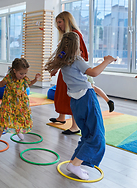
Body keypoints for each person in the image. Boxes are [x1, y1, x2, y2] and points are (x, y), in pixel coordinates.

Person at [45, 32, 116, 180]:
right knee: (97, 135)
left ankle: (74, 162)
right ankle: (75, 165)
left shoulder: (63, 61)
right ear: (76, 46)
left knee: (87, 133)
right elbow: (94, 73)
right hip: (86, 98)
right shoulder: (76, 60)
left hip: (75, 102)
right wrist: (107, 61)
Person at [49, 11, 114, 134]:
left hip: (79, 81)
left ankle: (76, 126)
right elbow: (62, 54)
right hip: (70, 76)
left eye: (60, 22)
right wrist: (57, 67)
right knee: (67, 97)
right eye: (57, 22)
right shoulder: (68, 38)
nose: (58, 25)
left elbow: (88, 66)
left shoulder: (74, 37)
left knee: (78, 103)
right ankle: (63, 118)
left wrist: (107, 61)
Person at [0, 58, 41, 152]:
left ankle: (18, 131)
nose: (23, 76)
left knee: (19, 119)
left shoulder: (24, 79)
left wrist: (35, 79)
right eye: (21, 73)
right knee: (3, 120)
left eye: (25, 73)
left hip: (21, 104)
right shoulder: (8, 78)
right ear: (14, 70)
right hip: (9, 103)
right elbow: (1, 84)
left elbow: (29, 84)